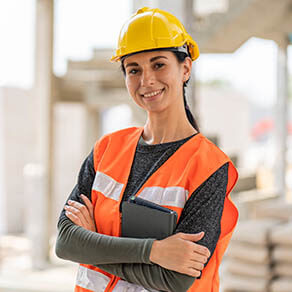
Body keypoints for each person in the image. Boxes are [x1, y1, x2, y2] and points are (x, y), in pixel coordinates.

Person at [55, 7, 238, 292]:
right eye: (134, 70)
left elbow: (177, 278)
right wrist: (153, 252)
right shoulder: (106, 150)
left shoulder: (209, 168)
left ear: (185, 68)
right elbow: (66, 242)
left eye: (159, 64)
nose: (146, 80)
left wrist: (92, 243)